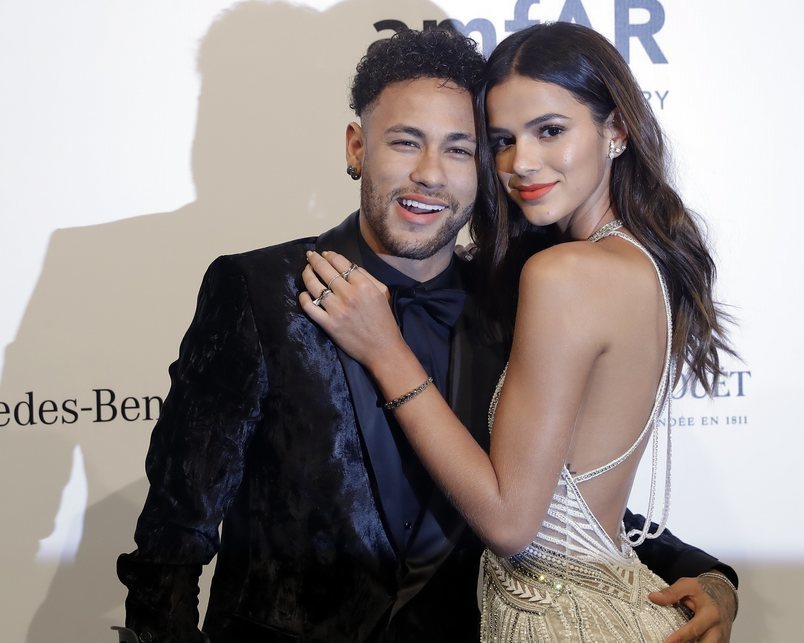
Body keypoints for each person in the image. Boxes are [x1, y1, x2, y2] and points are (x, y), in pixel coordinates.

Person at [117, 27, 733, 643]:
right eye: (406, 143)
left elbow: (555, 496)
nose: (430, 175)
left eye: (462, 149)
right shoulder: (258, 289)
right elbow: (176, 531)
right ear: (357, 147)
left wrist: (707, 577)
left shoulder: (514, 302)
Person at [301, 22, 737, 643]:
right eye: (501, 140)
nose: (520, 163)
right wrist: (716, 580)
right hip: (611, 602)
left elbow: (512, 523)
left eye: (550, 131)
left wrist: (384, 348)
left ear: (615, 130)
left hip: (560, 623)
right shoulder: (640, 263)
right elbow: (578, 498)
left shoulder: (563, 276)